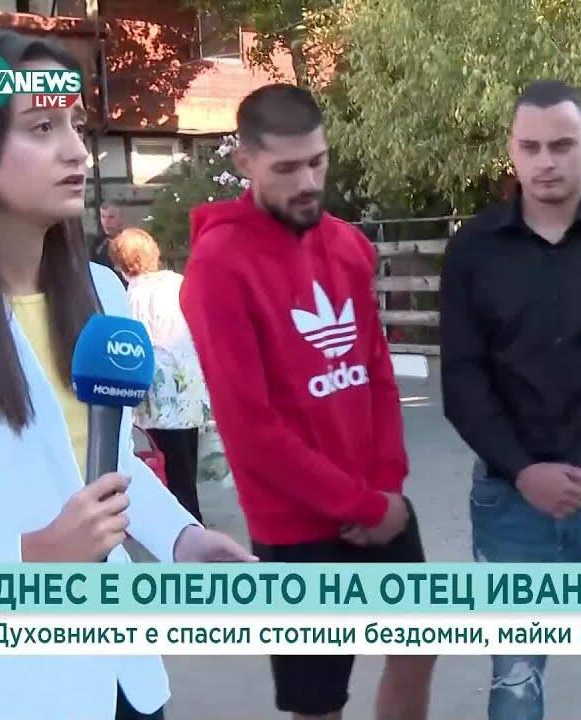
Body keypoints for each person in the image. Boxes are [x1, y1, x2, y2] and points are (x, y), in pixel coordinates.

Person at [0, 30, 255, 720]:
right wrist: (33, 555)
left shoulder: (102, 292)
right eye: (42, 127)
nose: (76, 149)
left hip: (122, 680)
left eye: (75, 124)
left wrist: (181, 539)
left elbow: (101, 463)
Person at [179, 84, 436, 720]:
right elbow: (251, 432)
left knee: (419, 647)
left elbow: (376, 375)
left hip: (379, 503)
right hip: (294, 528)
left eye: (317, 162)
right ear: (245, 162)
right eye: (287, 168)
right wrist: (361, 505)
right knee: (318, 702)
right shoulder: (218, 267)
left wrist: (385, 493)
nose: (308, 182)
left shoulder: (347, 246)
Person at [439, 79, 581, 720]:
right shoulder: (472, 251)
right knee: (514, 684)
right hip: (508, 500)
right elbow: (462, 380)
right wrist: (524, 472)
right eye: (531, 146)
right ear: (511, 151)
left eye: (562, 145)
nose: (546, 161)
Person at [109, 227, 211, 523]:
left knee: (171, 471)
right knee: (187, 465)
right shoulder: (177, 283)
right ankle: (193, 521)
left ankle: (187, 526)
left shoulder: (132, 296)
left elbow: (132, 347)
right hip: (190, 387)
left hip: (159, 398)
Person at [91, 201, 127, 276]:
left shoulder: (130, 243)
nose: (106, 222)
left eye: (111, 217)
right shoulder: (97, 243)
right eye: (103, 217)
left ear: (121, 218)